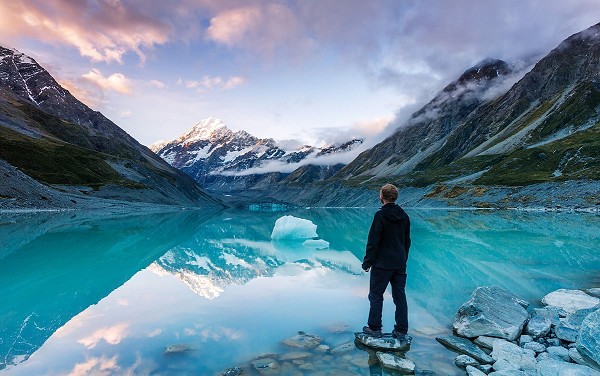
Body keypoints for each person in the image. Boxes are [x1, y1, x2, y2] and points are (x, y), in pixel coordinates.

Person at [362, 183, 411, 339]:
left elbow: (373, 241)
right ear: (395, 197)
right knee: (399, 296)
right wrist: (403, 259)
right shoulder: (404, 216)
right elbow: (407, 241)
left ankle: (375, 328)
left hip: (382, 264)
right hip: (399, 263)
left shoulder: (380, 215)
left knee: (376, 295)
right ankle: (401, 330)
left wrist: (367, 262)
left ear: (382, 196)